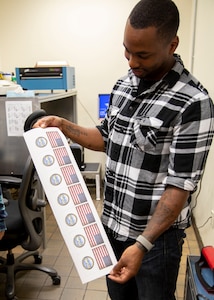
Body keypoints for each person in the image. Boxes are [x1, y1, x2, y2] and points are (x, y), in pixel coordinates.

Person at [33, 0, 214, 299]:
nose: (131, 62)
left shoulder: (193, 103)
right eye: (127, 50)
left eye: (142, 54)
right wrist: (64, 126)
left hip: (154, 243)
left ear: (172, 45)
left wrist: (142, 244)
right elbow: (107, 137)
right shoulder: (126, 83)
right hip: (111, 229)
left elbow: (179, 186)